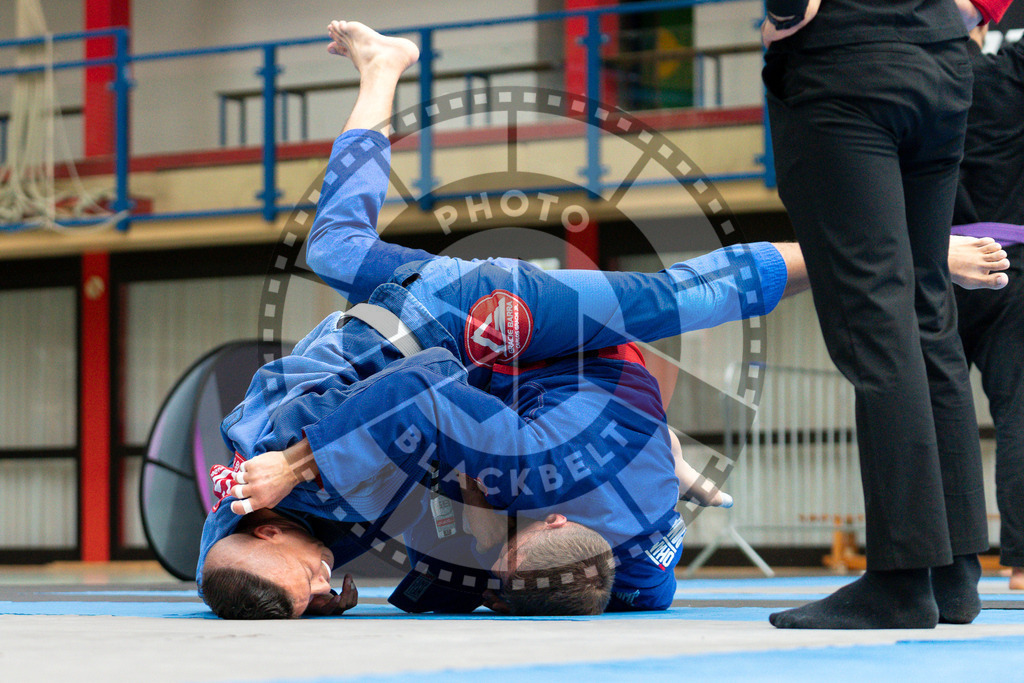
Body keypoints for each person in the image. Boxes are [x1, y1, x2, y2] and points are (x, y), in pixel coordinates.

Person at [198, 19, 1013, 620]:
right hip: (496, 375)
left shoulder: (267, 457)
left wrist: (297, 465)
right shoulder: (252, 567)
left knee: (669, 301)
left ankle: (915, 252)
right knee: (338, 247)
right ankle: (382, 68)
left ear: (267, 530)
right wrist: (647, 443)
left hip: (456, 315)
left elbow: (427, 386)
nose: (322, 587)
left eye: (305, 582)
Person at [759, 0, 1015, 629]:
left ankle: (901, 580)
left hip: (845, 66)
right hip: (942, 66)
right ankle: (954, 575)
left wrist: (785, 16)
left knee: (876, 319)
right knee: (927, 310)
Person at [953, 25, 1024, 590]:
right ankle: (1022, 563)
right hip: (1009, 261)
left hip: (939, 262)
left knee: (936, 414)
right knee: (1020, 415)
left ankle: (944, 563)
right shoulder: (1011, 77)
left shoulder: (923, 88)